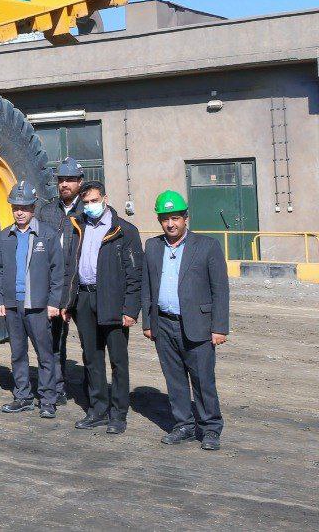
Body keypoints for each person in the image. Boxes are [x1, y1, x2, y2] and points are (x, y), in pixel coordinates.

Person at [142, 191, 230, 450]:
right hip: (163, 324)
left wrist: (219, 327)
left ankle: (210, 427)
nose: (171, 224)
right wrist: (148, 322)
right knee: (175, 380)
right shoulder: (153, 247)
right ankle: (183, 425)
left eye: (175, 218)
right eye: (165, 219)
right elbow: (147, 286)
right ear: (159, 220)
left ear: (185, 218)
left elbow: (220, 289)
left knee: (203, 380)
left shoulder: (207, 246)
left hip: (198, 325)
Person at [59, 180, 142, 434]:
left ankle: (118, 413)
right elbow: (69, 267)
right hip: (84, 299)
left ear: (105, 199)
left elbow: (135, 274)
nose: (90, 206)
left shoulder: (124, 230)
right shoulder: (78, 226)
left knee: (118, 360)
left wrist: (131, 309)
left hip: (112, 301)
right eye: (85, 202)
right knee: (92, 358)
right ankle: (97, 410)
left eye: (94, 201)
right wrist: (67, 302)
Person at [0, 182, 63, 418]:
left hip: (38, 306)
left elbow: (57, 272)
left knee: (45, 354)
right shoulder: (5, 236)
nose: (20, 212)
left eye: (24, 207)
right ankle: (22, 396)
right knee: (18, 353)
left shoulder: (48, 234)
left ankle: (48, 399)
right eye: (16, 207)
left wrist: (54, 302)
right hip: (13, 305)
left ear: (33, 208)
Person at [37, 157, 85, 405]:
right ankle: (57, 388)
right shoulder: (47, 212)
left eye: (70, 180)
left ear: (80, 181)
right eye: (61, 180)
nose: (64, 184)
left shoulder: (87, 210)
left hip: (81, 286)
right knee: (54, 341)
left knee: (90, 343)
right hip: (54, 286)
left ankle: (91, 391)